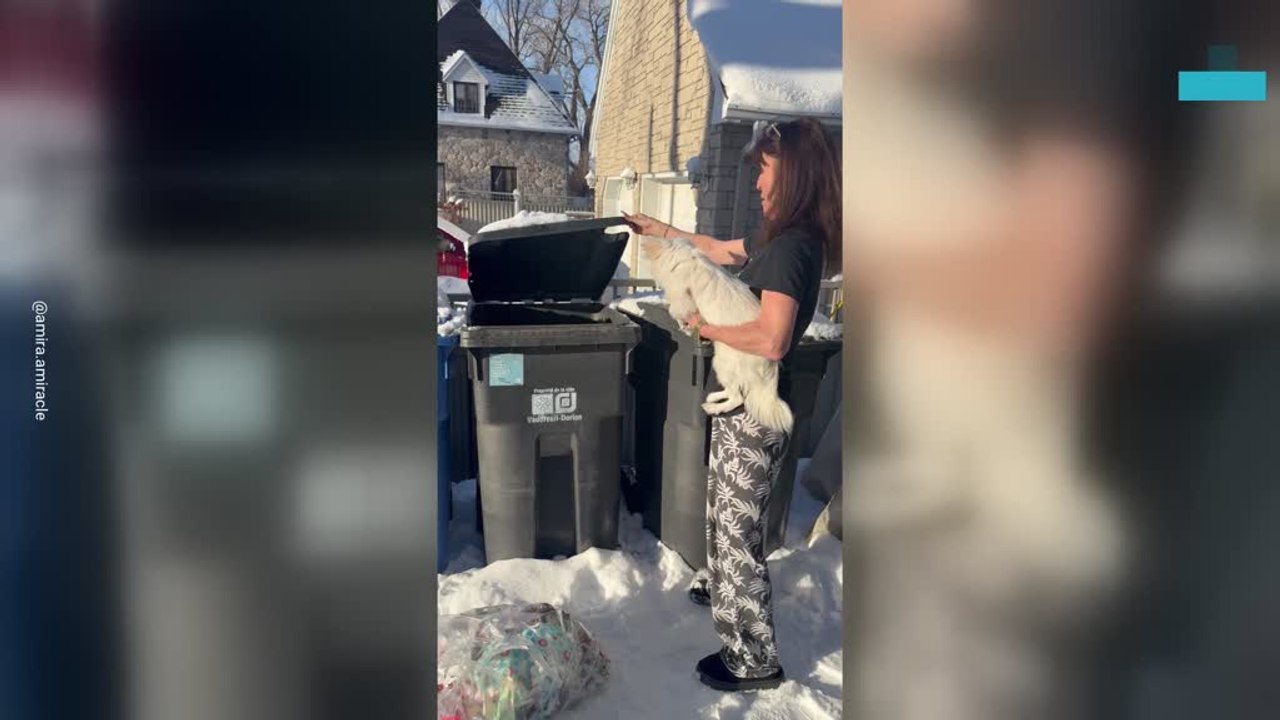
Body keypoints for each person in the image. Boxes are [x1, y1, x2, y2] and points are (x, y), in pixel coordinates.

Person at [622, 116, 841, 692]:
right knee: (721, 510)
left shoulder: (796, 246)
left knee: (739, 533)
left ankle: (754, 659)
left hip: (760, 404)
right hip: (740, 401)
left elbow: (772, 337)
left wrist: (705, 326)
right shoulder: (778, 237)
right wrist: (660, 231)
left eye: (763, 170)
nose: (756, 182)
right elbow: (717, 248)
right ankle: (721, 590)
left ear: (792, 172)